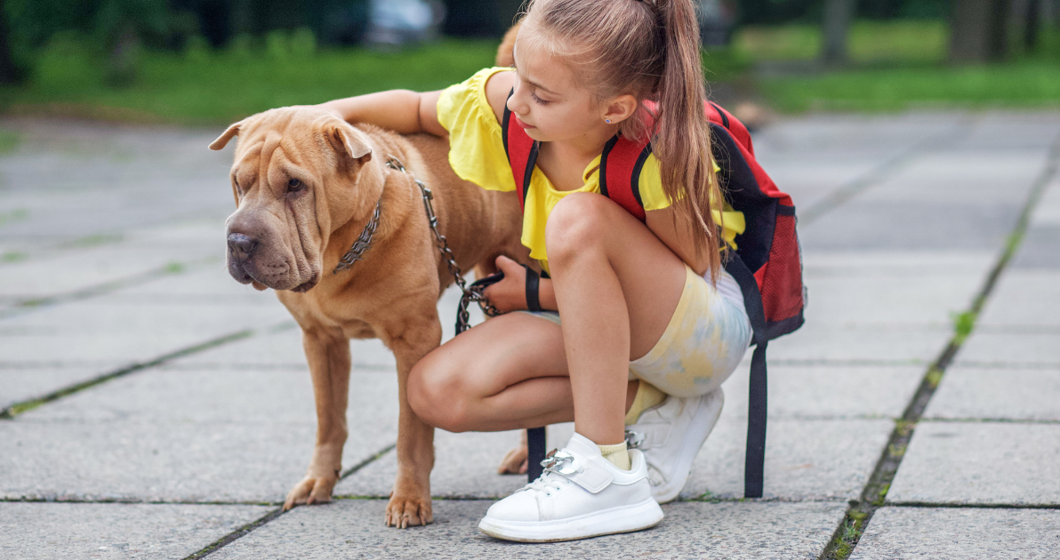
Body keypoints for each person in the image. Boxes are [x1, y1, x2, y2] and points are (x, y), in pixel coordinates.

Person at [318, 0, 752, 543]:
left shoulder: (655, 156)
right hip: (594, 321)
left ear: (615, 108)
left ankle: (604, 469)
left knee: (577, 219)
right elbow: (417, 108)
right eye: (519, 78)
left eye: (542, 96)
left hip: (697, 334)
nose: (516, 100)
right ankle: (656, 407)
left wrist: (537, 292)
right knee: (435, 390)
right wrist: (319, 115)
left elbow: (690, 278)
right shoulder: (515, 108)